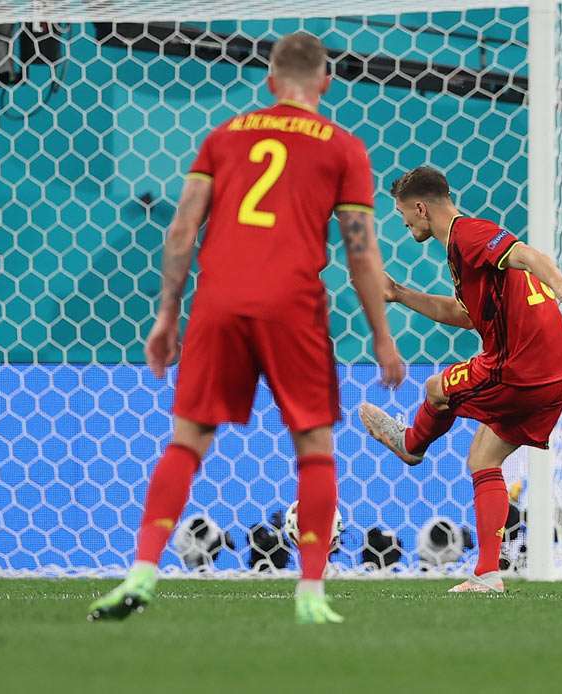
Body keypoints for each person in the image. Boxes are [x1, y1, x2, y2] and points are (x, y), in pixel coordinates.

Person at [87, 32, 403, 625]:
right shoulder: (343, 148)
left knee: (187, 441)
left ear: (269, 84)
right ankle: (310, 593)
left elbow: (181, 231)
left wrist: (166, 314)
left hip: (219, 302)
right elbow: (361, 253)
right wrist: (382, 335)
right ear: (325, 86)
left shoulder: (225, 137)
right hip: (293, 304)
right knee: (313, 445)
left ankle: (142, 572)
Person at [359, 166, 562, 593]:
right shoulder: (465, 252)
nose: (402, 223)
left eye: (403, 213)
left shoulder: (468, 235)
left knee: (437, 389)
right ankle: (488, 575)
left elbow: (527, 254)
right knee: (483, 460)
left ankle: (411, 444)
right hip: (556, 375)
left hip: (518, 369)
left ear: (421, 207)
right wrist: (399, 293)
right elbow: (464, 316)